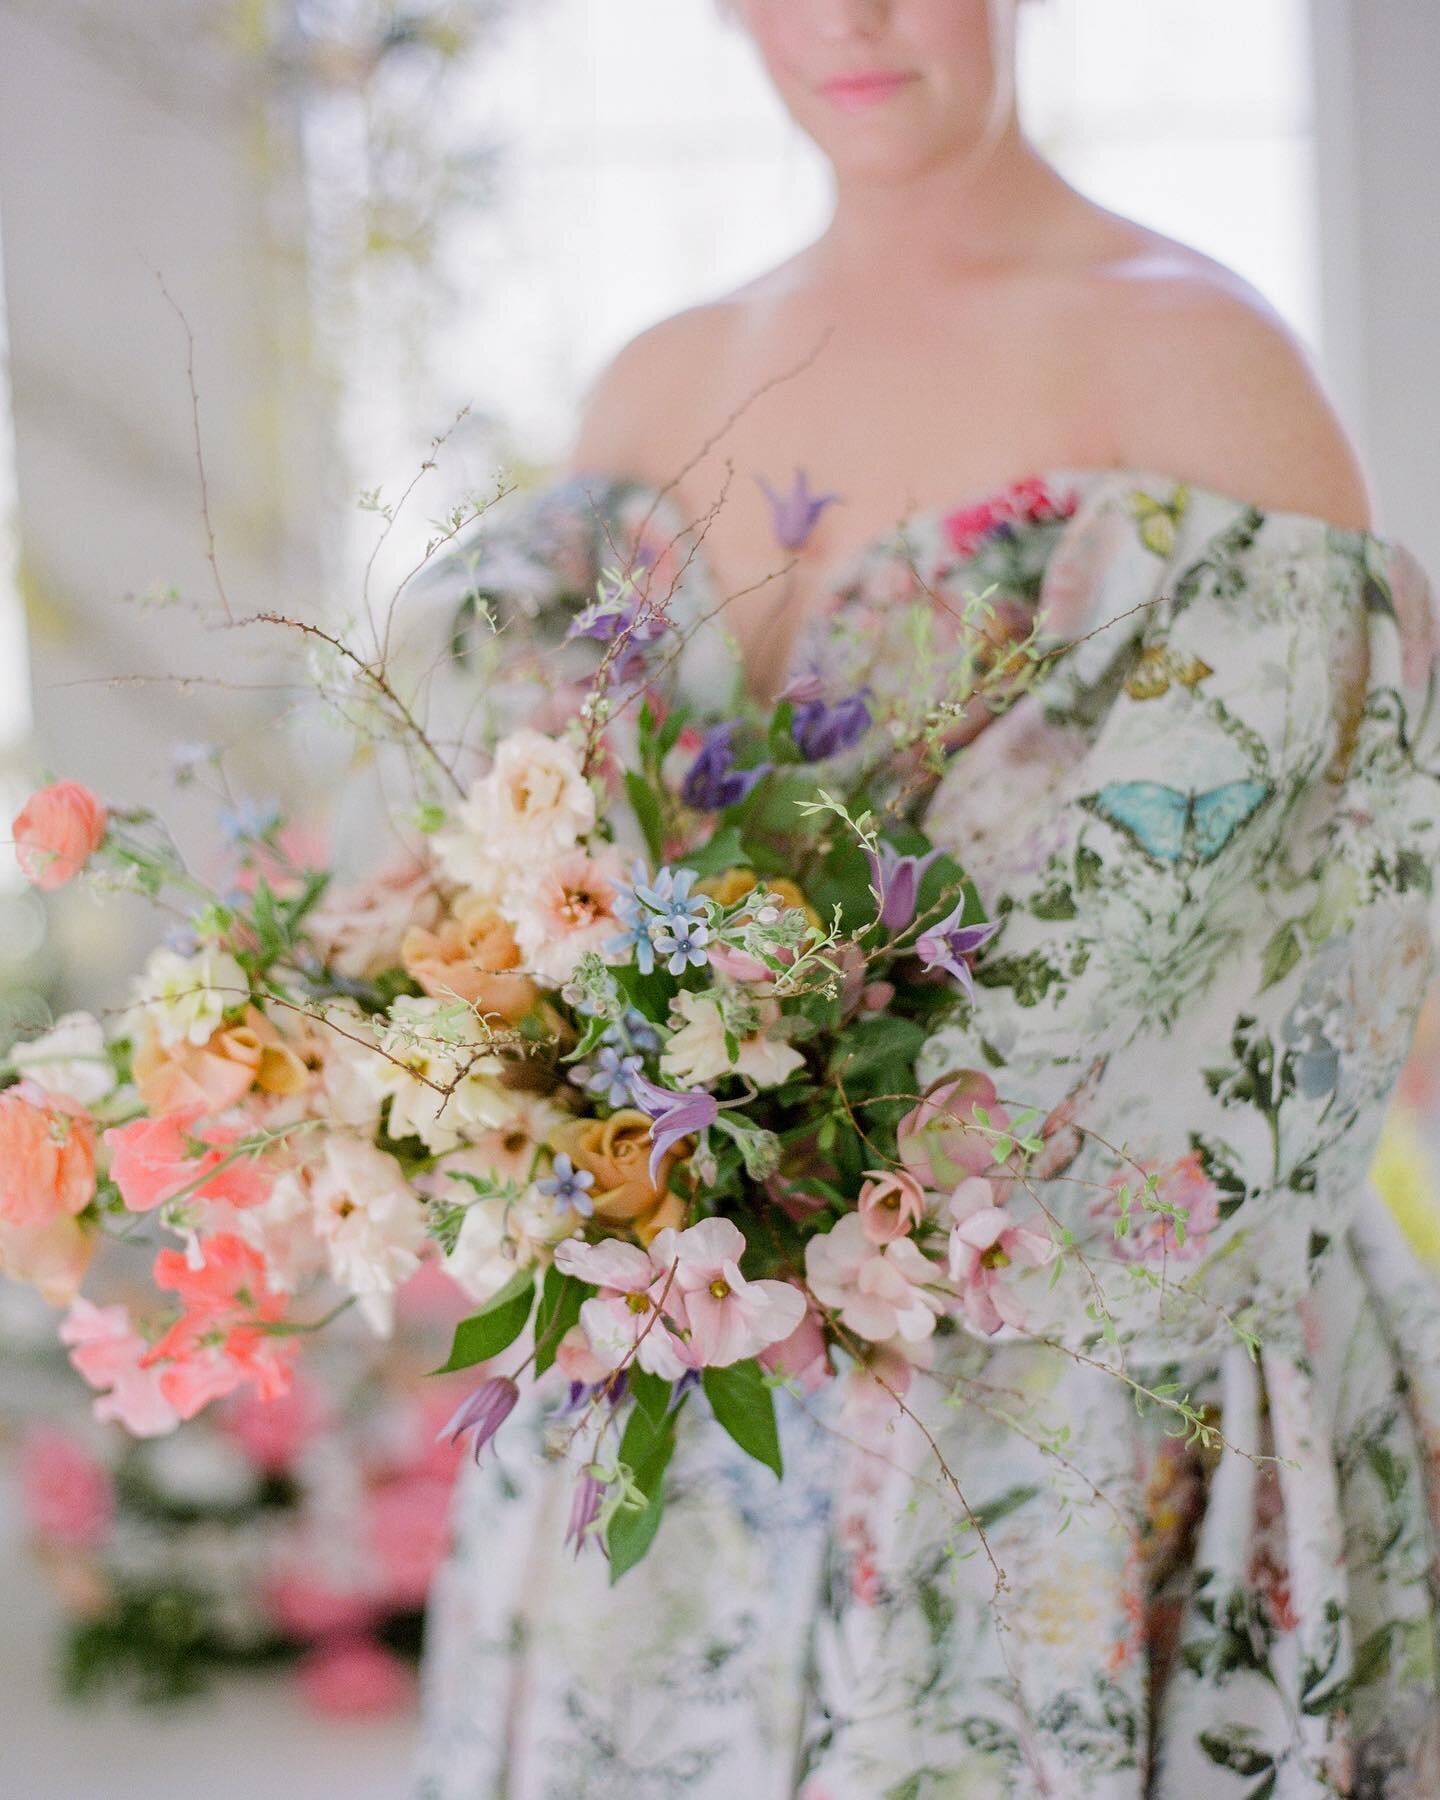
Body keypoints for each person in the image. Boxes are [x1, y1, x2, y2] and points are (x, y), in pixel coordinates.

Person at [416, 3, 1440, 1794]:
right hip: (678, 1409)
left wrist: (851, 1193)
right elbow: (539, 897)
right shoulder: (659, 380)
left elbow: (1315, 962)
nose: (853, 17)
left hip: (1064, 1430)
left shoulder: (1196, 366)